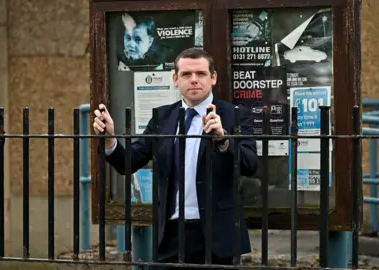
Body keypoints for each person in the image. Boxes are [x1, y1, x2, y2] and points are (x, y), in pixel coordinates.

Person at [93, 47, 258, 269]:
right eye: (186, 74)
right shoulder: (162, 116)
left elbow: (250, 164)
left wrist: (224, 140)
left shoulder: (234, 115)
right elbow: (129, 162)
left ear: (213, 78)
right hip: (170, 233)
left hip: (217, 235)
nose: (194, 80)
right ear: (175, 79)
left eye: (200, 74)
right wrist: (110, 140)